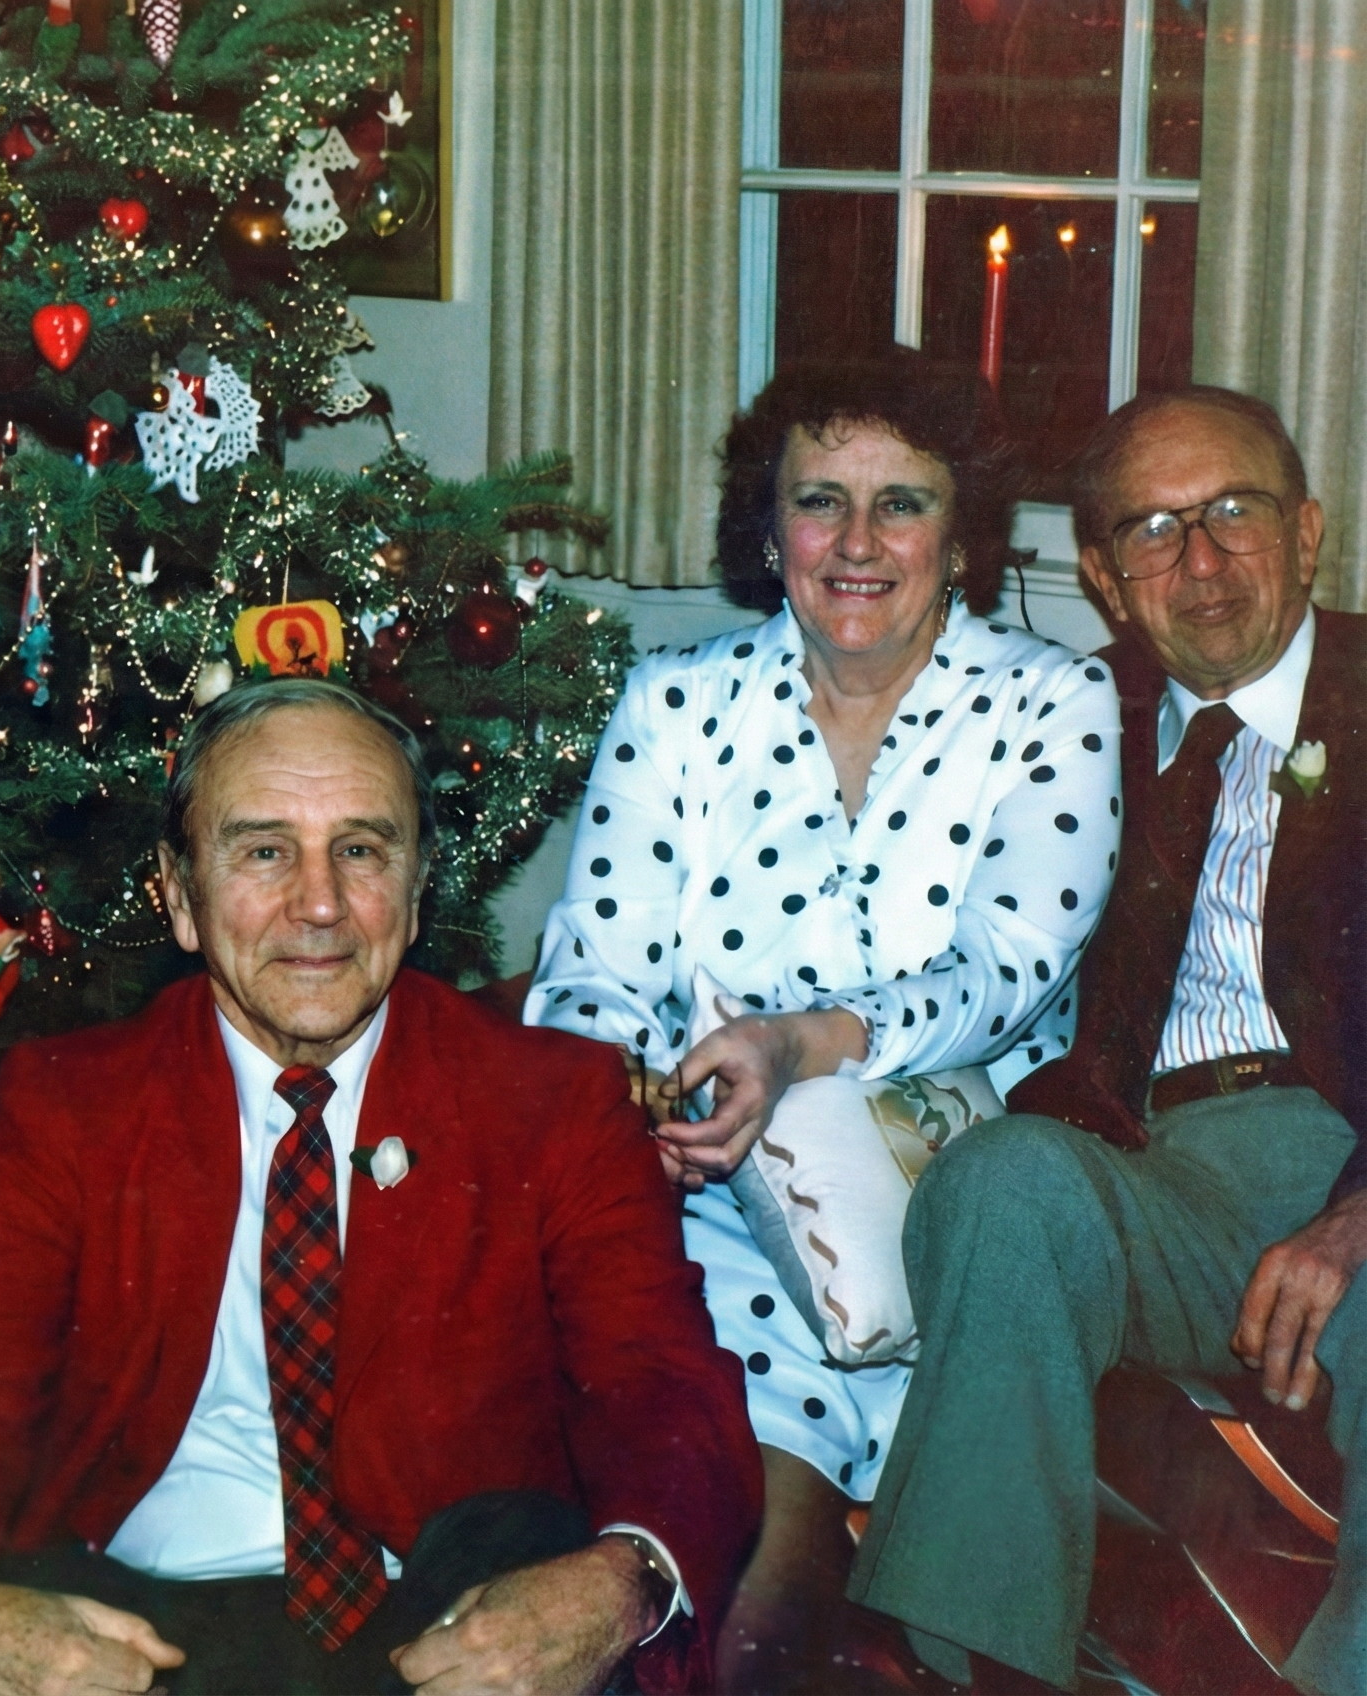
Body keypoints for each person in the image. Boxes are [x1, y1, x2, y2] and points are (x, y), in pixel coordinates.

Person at [0, 678, 760, 1696]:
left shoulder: (553, 1100)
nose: (320, 904)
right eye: (265, 850)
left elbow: (669, 1393)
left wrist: (620, 1581)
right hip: (149, 1630)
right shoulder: (72, 1105)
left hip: (450, 1626)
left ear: (415, 895)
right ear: (182, 898)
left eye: (362, 851)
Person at [528, 355, 1123, 1689]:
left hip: (963, 1235)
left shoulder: (1051, 703)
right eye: (820, 501)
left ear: (962, 535)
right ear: (768, 525)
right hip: (725, 1213)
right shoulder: (677, 708)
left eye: (902, 503)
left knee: (929, 1618)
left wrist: (798, 1046)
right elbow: (588, 979)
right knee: (755, 1574)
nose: (858, 544)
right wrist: (651, 1102)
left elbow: (1008, 967)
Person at [847, 386, 1367, 1695]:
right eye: (1153, 528)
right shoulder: (1070, 723)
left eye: (1235, 512)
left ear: (1309, 532)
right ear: (1103, 576)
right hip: (1167, 1174)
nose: (1202, 560)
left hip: (1358, 1158)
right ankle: (964, 1661)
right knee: (1006, 1179)